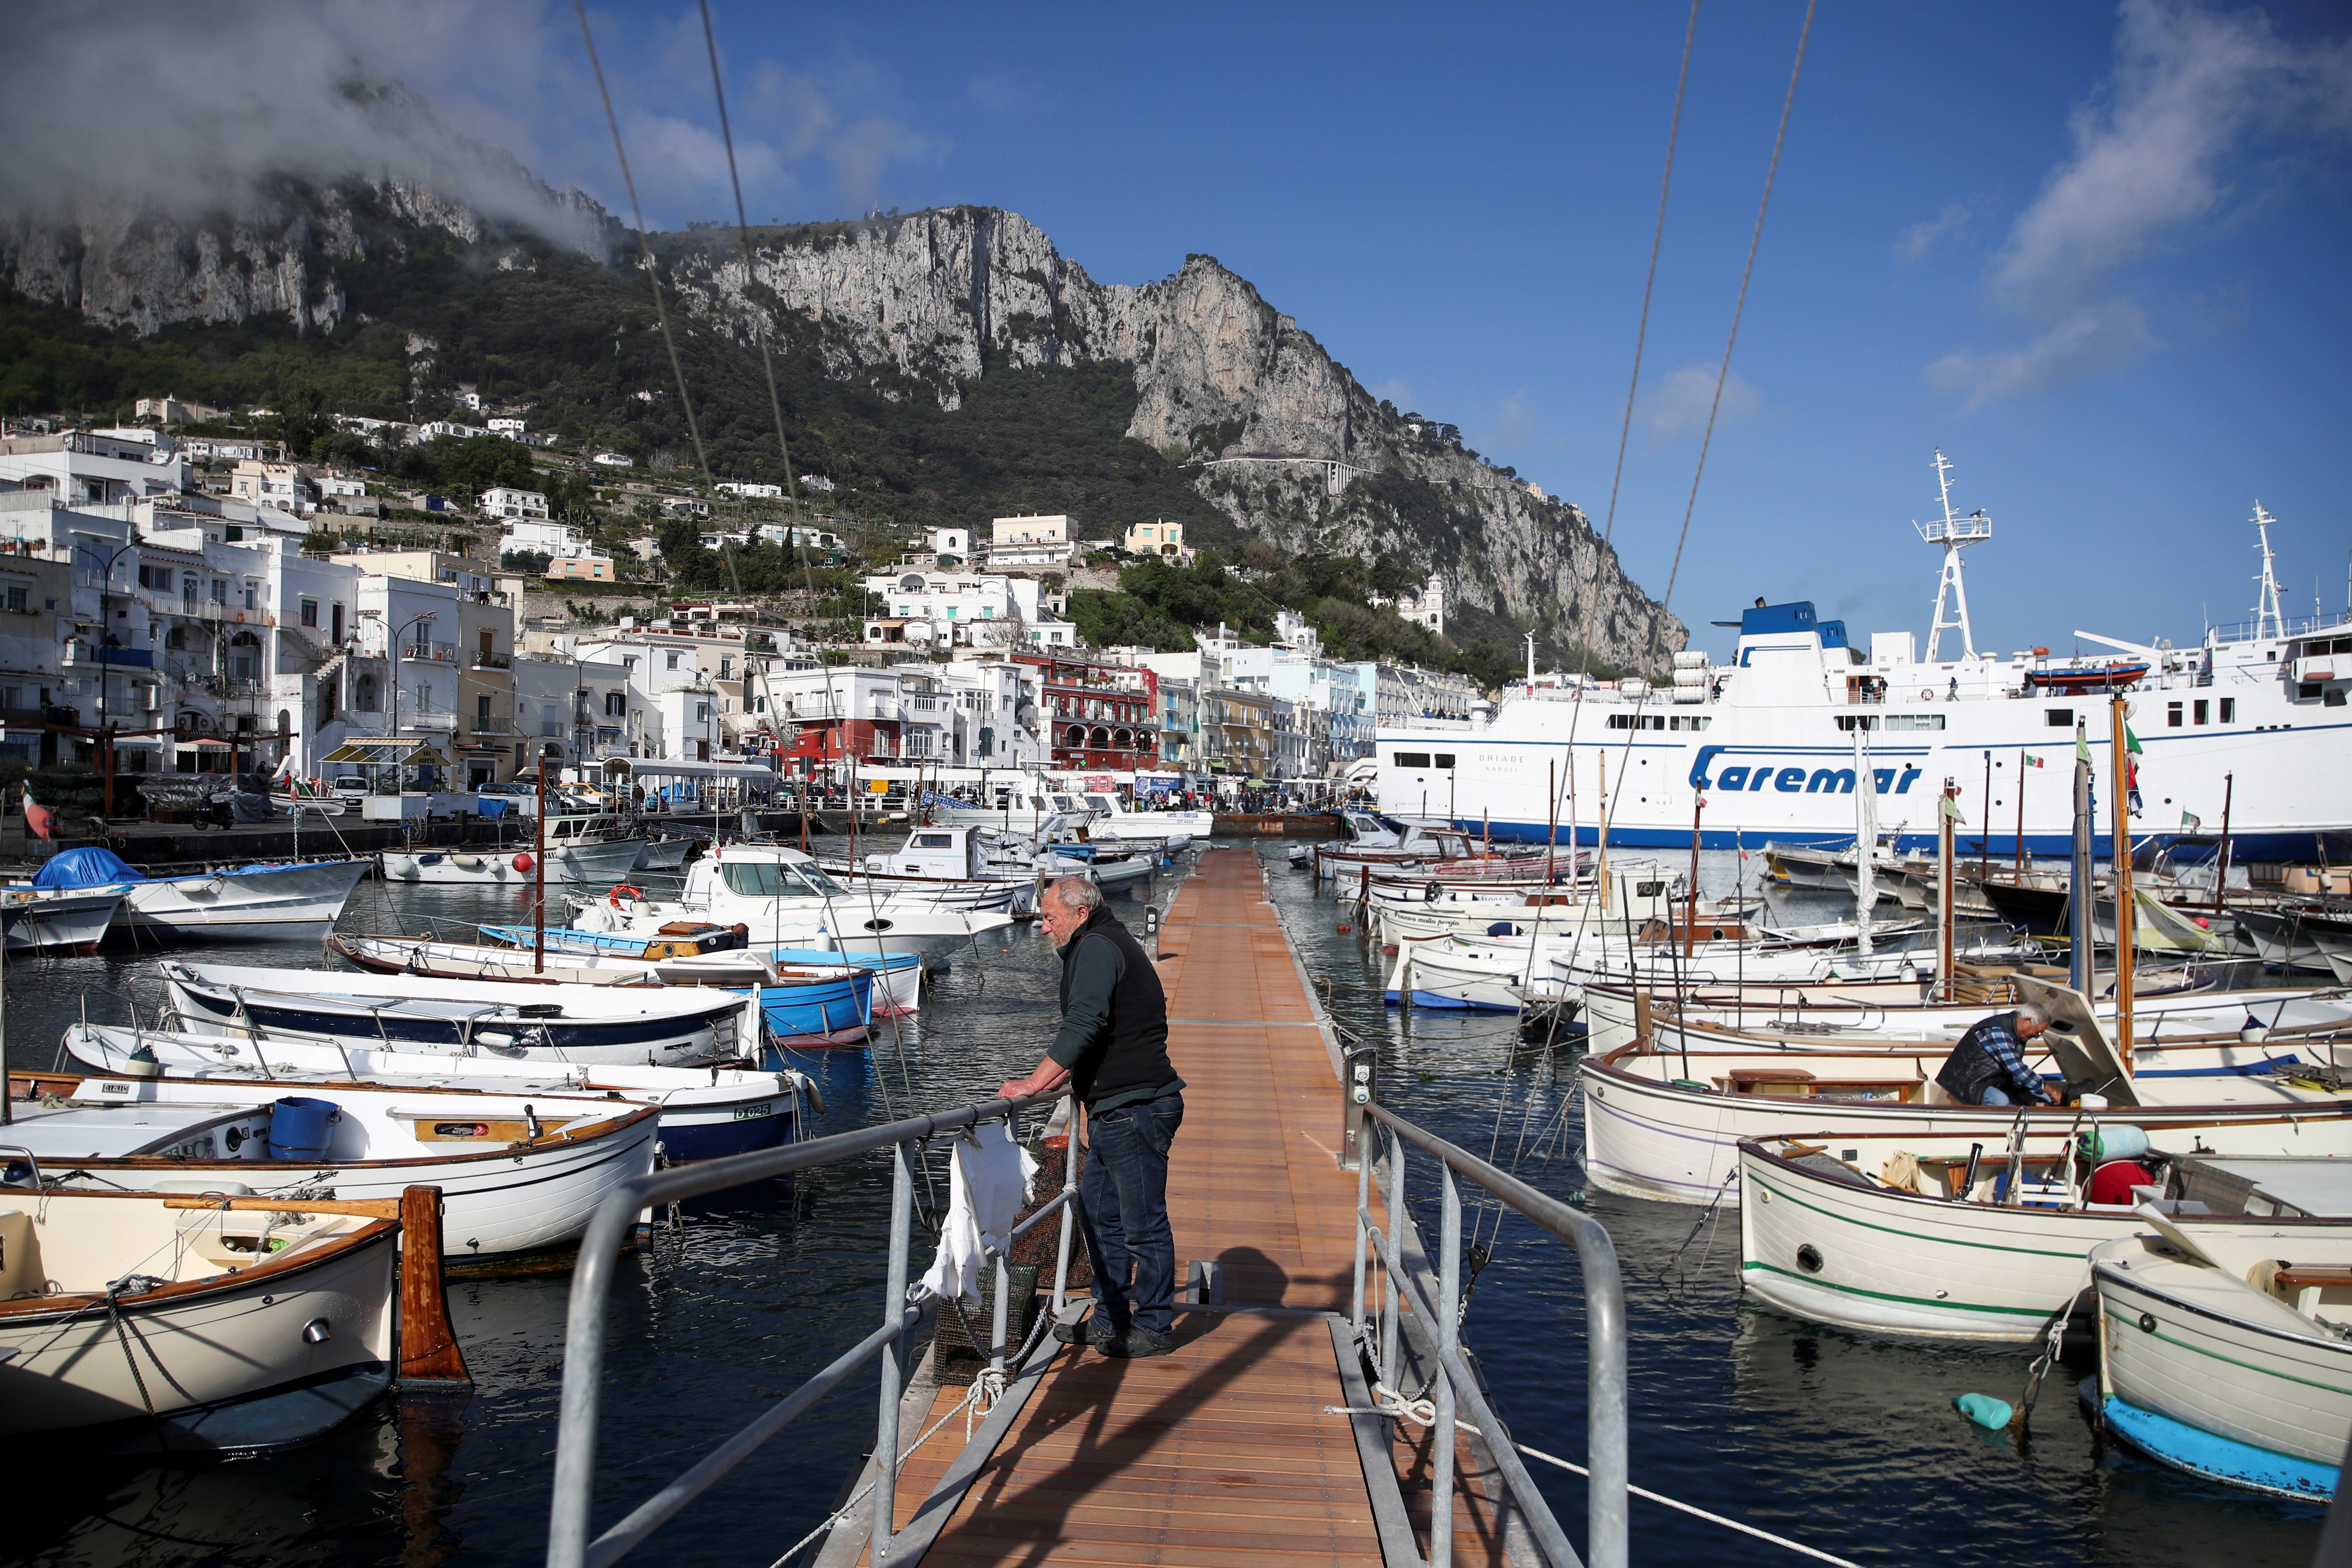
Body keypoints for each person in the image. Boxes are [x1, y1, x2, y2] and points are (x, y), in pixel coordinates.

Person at [997, 874, 1186, 1358]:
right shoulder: (1102, 942)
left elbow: (1086, 1023)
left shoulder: (1098, 947)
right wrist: (1065, 1079)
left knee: (1142, 1223)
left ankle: (1156, 1327)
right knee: (1100, 1216)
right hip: (1114, 1107)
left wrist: (1035, 1084)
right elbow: (1098, 1030)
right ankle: (1109, 1320)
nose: (1043, 928)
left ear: (1080, 914)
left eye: (1049, 918)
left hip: (1134, 1107)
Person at [1934, 1002, 2057, 1106]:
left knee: (2042, 1099)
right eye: (2038, 1032)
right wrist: (2054, 1092)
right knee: (1999, 1100)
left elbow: (2013, 1076)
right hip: (1967, 1084)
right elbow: (2017, 1069)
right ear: (2027, 1022)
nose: (2036, 1037)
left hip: (1990, 1083)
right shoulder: (1997, 1031)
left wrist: (2032, 1097)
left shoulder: (2017, 1036)